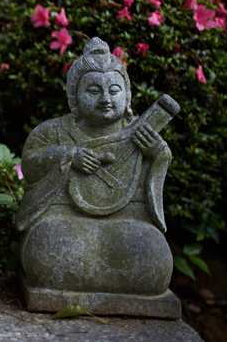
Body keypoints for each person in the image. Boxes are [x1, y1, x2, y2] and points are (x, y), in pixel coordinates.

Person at [16, 37, 176, 295]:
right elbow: (30, 165)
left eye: (114, 90)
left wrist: (158, 155)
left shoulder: (141, 135)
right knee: (46, 249)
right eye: (93, 91)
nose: (105, 99)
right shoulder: (51, 132)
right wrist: (66, 156)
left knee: (153, 259)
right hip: (63, 220)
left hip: (129, 222)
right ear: (74, 97)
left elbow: (154, 180)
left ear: (128, 95)